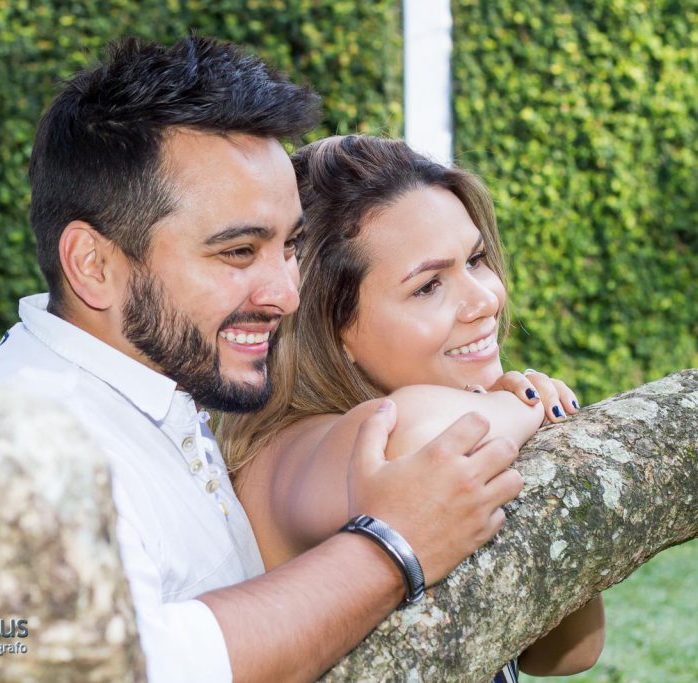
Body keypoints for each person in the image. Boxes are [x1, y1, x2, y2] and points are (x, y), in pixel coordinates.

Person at [0, 38, 525, 682]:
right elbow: (134, 666)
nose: (287, 294)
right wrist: (394, 546)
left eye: (289, 245)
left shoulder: (161, 396)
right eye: (238, 252)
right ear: (94, 265)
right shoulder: (21, 439)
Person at [220, 135, 606, 680]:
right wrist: (525, 409)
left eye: (475, 260)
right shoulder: (290, 448)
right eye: (428, 286)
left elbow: (565, 653)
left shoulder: (461, 443)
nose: (484, 300)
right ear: (333, 332)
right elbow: (414, 429)